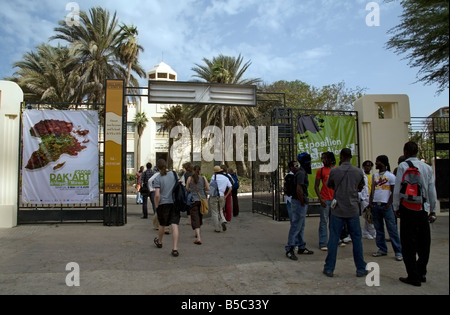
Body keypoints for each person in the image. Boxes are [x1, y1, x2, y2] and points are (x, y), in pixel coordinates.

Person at [393, 142, 438, 287]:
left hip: (407, 208)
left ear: (405, 152)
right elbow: (432, 189)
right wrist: (432, 209)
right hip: (423, 208)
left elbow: (398, 188)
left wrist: (396, 207)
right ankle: (422, 272)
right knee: (424, 242)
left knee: (408, 243)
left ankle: (413, 276)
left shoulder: (403, 166)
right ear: (417, 152)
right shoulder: (427, 167)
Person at [323, 148, 367, 277]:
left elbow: (329, 185)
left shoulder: (334, 171)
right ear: (351, 157)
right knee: (357, 239)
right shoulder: (358, 171)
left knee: (333, 239)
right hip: (352, 209)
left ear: (341, 157)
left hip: (338, 209)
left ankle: (329, 268)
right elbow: (360, 186)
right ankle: (360, 268)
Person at [369, 155, 403, 261]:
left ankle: (398, 251)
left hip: (386, 206)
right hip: (376, 205)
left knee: (392, 229)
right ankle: (382, 249)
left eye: (377, 162)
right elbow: (373, 190)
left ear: (383, 163)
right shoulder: (375, 176)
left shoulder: (391, 176)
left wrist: (389, 203)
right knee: (379, 229)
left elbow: (393, 191)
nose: (376, 163)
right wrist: (371, 202)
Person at [285, 153, 314, 261]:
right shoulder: (301, 173)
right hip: (298, 202)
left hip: (299, 201)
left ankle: (301, 246)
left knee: (300, 226)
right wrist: (302, 201)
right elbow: (299, 189)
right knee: (296, 225)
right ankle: (290, 248)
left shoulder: (301, 172)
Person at [153, 159, 180, 257]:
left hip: (163, 204)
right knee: (174, 225)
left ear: (157, 168)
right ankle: (175, 248)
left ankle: (159, 241)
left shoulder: (157, 178)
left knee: (162, 224)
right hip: (174, 203)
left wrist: (157, 205)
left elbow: (156, 195)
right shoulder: (174, 174)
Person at [314, 152, 336, 251]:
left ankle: (334, 241)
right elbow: (316, 186)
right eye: (322, 158)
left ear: (330, 159)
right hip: (325, 199)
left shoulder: (336, 170)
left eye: (324, 158)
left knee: (334, 221)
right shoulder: (321, 171)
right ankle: (323, 242)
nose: (323, 160)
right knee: (324, 221)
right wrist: (320, 198)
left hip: (335, 200)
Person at [186, 165, 210, 245]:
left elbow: (187, 188)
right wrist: (202, 189)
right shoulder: (203, 178)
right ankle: (198, 232)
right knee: (200, 216)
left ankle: (198, 237)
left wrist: (192, 190)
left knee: (195, 217)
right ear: (200, 170)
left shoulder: (190, 178)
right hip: (202, 199)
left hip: (193, 200)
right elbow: (208, 188)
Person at [210, 165, 232, 233]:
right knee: (220, 210)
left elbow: (211, 186)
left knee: (214, 212)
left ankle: (217, 228)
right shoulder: (225, 178)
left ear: (215, 172)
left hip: (214, 195)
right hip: (222, 195)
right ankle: (223, 220)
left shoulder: (214, 177)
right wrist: (226, 195)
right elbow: (230, 187)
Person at [361, 161, 376, 239]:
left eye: (370, 166)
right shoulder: (361, 175)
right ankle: (373, 232)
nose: (368, 167)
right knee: (368, 215)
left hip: (371, 198)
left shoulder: (372, 176)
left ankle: (365, 232)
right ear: (363, 166)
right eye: (366, 166)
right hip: (364, 198)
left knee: (368, 216)